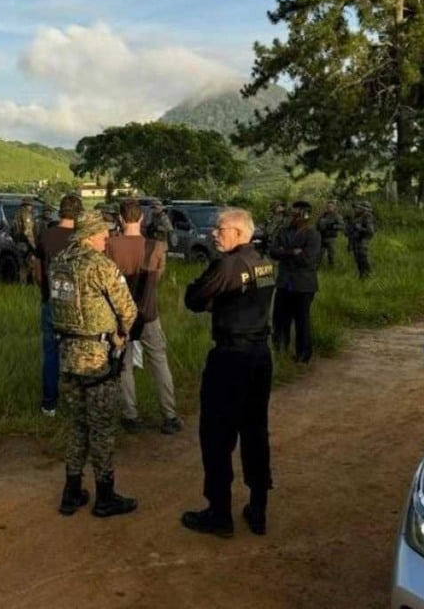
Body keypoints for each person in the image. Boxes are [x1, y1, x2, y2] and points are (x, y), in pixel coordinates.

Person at [181, 207, 276, 538]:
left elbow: (193, 297)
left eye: (220, 229)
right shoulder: (262, 261)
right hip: (260, 355)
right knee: (255, 431)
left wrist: (212, 301)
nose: (213, 233)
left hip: (231, 356)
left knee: (217, 435)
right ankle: (258, 507)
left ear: (238, 232)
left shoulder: (228, 264)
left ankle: (219, 512)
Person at [50, 212, 139, 518]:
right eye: (103, 234)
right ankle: (105, 495)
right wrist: (122, 336)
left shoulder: (59, 262)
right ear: (89, 235)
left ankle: (71, 492)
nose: (106, 240)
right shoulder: (100, 266)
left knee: (76, 425)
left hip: (67, 354)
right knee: (101, 428)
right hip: (98, 357)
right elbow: (128, 310)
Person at [106, 198, 182, 435]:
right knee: (159, 362)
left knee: (124, 365)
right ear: (141, 219)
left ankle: (130, 415)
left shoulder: (110, 245)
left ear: (120, 218)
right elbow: (157, 278)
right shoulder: (156, 247)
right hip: (149, 313)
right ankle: (169, 415)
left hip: (119, 316)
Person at [32, 194, 83, 417]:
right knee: (77, 353)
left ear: (60, 212)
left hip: (50, 300)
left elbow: (37, 268)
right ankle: (76, 402)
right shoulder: (80, 239)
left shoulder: (46, 236)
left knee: (51, 353)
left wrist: (44, 289)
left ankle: (49, 404)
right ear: (78, 213)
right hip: (76, 304)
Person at [269, 201, 321, 364]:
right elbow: (273, 251)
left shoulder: (312, 234)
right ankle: (280, 351)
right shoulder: (284, 232)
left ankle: (303, 355)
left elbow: (308, 259)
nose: (292, 216)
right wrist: (292, 252)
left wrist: (285, 253)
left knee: (302, 320)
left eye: (296, 213)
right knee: (280, 319)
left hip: (303, 284)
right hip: (285, 282)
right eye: (292, 213)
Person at [347, 201, 376, 280]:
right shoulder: (357, 217)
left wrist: (360, 228)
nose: (357, 209)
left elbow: (370, 231)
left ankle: (369, 275)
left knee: (363, 258)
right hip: (355, 240)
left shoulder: (367, 217)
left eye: (359, 208)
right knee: (358, 259)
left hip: (363, 240)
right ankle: (362, 276)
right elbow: (350, 230)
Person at [315, 200, 346, 269]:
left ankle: (331, 268)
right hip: (322, 237)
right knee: (319, 254)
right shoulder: (323, 215)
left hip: (331, 238)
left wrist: (333, 226)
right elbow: (316, 224)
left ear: (334, 207)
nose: (329, 208)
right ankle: (316, 268)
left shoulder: (337, 216)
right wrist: (319, 227)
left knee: (331, 255)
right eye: (328, 206)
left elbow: (342, 226)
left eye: (331, 206)